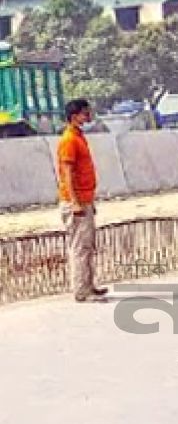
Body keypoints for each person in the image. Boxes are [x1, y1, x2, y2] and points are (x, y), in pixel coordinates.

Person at [58, 98, 108, 303]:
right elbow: (67, 174)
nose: (88, 116)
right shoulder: (69, 140)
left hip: (84, 199)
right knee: (80, 246)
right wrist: (75, 202)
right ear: (74, 116)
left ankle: (88, 285)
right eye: (85, 113)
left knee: (87, 245)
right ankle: (81, 291)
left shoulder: (78, 137)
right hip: (76, 201)